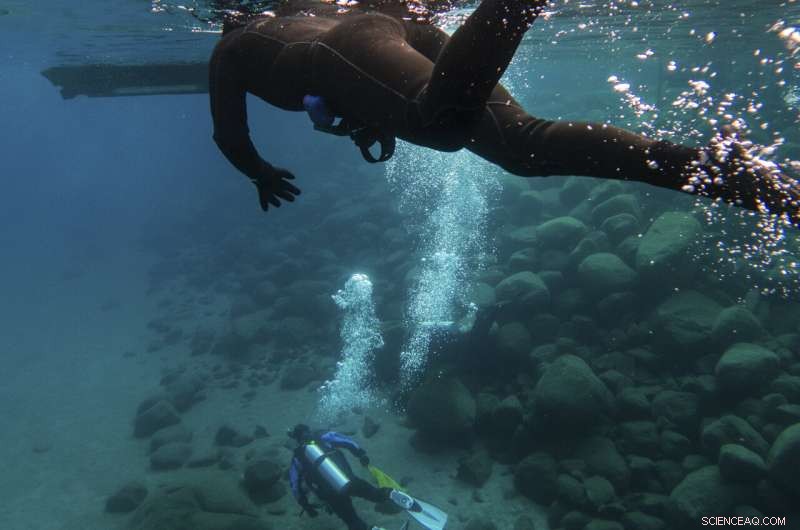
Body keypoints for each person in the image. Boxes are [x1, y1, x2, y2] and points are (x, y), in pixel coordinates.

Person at [209, 0, 800, 225]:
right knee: (522, 147)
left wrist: (258, 173)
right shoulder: (295, 16)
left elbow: (227, 136)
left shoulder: (232, 48)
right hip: (395, 27)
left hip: (346, 48)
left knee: (438, 130)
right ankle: (716, 171)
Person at [287, 423, 416, 530]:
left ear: (297, 439)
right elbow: (346, 441)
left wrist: (306, 505)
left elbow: (295, 486)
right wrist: (360, 454)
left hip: (330, 494)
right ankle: (391, 493)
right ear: (308, 430)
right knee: (374, 494)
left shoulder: (297, 458)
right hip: (348, 480)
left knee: (352, 520)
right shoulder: (322, 436)